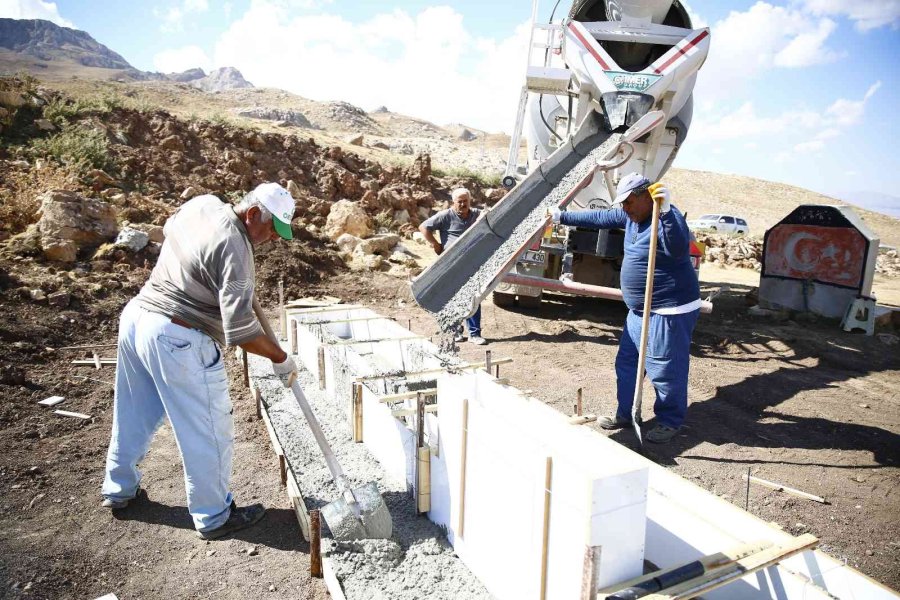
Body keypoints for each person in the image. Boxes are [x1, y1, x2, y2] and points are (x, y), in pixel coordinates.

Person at [101, 182, 299, 539]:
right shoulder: (237, 250)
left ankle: (118, 488)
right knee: (207, 430)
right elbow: (241, 332)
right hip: (177, 336)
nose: (274, 239)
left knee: (132, 410)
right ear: (253, 213)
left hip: (138, 318)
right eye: (272, 229)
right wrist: (280, 357)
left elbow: (170, 227)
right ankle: (214, 515)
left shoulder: (203, 204)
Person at [550, 173, 700, 443]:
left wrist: (664, 210)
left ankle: (669, 420)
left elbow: (678, 246)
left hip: (668, 310)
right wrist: (562, 216)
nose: (625, 208)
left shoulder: (666, 217)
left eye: (629, 202)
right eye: (623, 204)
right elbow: (599, 218)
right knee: (628, 363)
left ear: (646, 196)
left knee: (664, 368)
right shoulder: (630, 216)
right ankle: (627, 413)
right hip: (639, 310)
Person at [419, 187, 487, 345]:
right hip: (451, 264)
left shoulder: (476, 214)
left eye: (466, 201)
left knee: (473, 297)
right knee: (452, 297)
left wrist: (484, 215)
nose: (463, 204)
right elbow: (423, 227)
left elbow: (487, 216)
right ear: (453, 202)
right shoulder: (445, 216)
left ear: (470, 201)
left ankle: (474, 333)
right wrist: (436, 244)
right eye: (460, 201)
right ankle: (455, 330)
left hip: (471, 263)